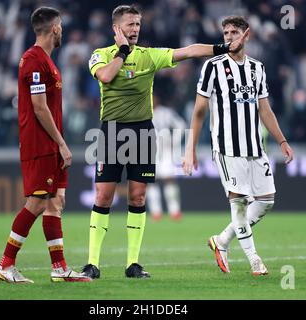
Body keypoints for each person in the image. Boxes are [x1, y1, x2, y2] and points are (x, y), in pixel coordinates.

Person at [82, 5, 249, 279]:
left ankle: (132, 264)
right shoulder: (100, 55)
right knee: (103, 196)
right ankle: (92, 263)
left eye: (138, 24)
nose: (135, 29)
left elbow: (189, 50)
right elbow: (106, 76)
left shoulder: (149, 56)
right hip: (112, 132)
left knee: (138, 196)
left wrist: (224, 47)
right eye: (130, 24)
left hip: (142, 132)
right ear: (116, 28)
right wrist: (123, 52)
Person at [183, 16, 294, 276]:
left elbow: (264, 109)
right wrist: (190, 149)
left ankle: (221, 241)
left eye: (234, 32)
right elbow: (199, 110)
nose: (229, 37)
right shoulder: (213, 66)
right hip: (226, 147)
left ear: (247, 35)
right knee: (240, 202)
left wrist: (282, 140)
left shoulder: (258, 68)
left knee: (267, 200)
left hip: (255, 146)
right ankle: (254, 259)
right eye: (225, 33)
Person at [0, 7, 90, 283]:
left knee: (55, 202)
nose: (63, 31)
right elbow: (38, 107)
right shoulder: (34, 60)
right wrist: (61, 142)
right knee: (36, 203)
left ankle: (59, 268)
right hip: (41, 144)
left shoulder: (47, 60)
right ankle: (5, 264)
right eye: (61, 26)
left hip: (51, 143)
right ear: (55, 28)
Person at [147, 94, 186, 221]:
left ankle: (175, 211)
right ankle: (155, 212)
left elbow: (180, 124)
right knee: (150, 181)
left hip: (165, 151)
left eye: (154, 97)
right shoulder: (141, 113)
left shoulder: (166, 112)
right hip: (148, 151)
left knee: (169, 179)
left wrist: (174, 141)